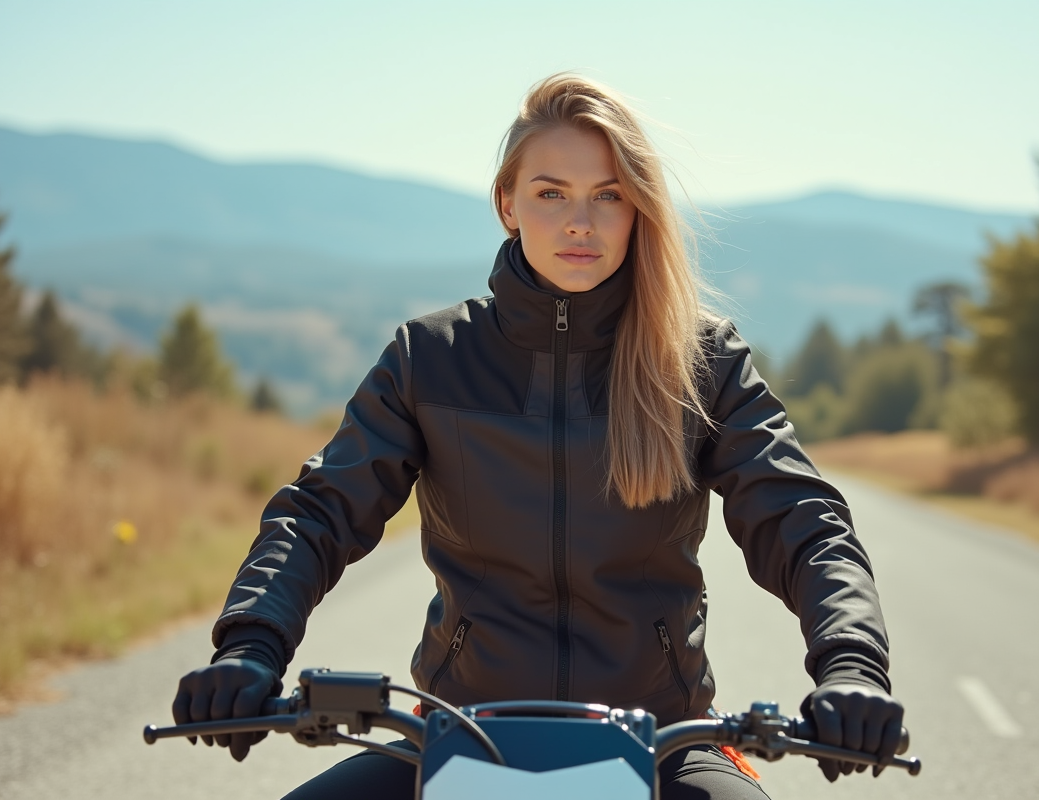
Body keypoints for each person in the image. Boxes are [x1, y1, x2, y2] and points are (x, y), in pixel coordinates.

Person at [173, 73, 904, 799]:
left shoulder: (703, 362)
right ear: (508, 205)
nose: (579, 221)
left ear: (637, 211)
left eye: (608, 195)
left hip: (662, 740)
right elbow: (320, 512)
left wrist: (852, 664)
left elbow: (804, 521)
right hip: (458, 727)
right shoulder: (430, 358)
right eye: (551, 193)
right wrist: (251, 647)